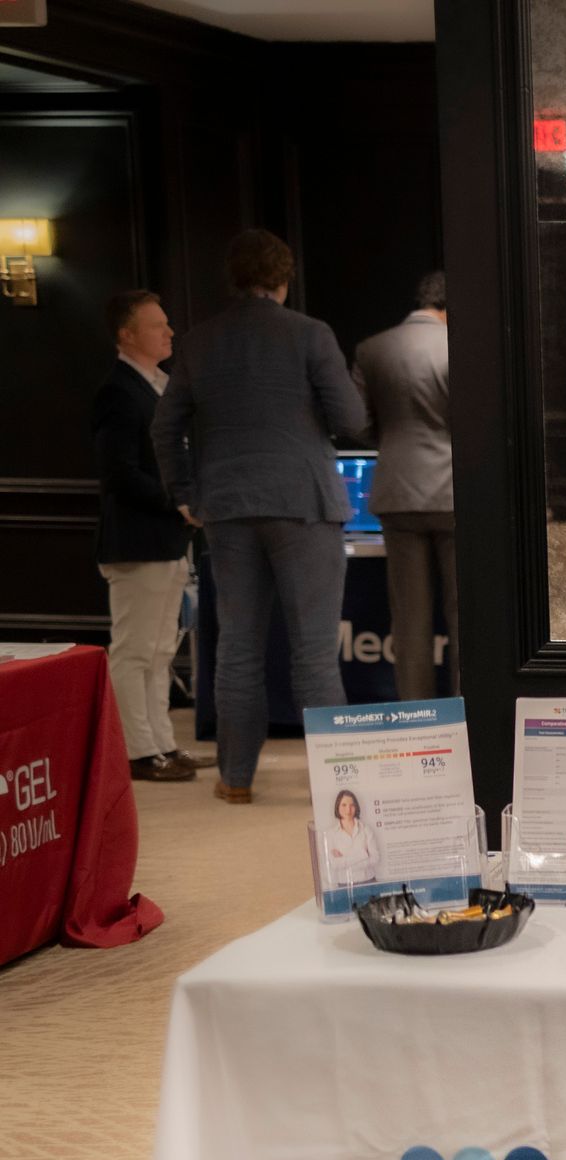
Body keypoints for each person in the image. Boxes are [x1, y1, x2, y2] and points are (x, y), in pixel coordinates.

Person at [152, 229, 368, 804]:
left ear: (234, 278)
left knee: (238, 648)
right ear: (283, 278)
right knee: (315, 652)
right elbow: (351, 419)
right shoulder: (310, 334)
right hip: (304, 504)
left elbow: (164, 427)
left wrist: (184, 492)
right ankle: (337, 789)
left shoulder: (199, 341)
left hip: (225, 507)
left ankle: (235, 779)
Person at [92, 290, 200, 782]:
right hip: (136, 543)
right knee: (135, 650)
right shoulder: (118, 392)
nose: (169, 332)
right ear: (126, 334)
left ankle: (162, 742)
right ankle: (136, 751)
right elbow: (118, 473)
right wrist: (177, 501)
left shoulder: (159, 385)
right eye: (157, 325)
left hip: (166, 541)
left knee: (159, 652)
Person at [353, 271, 456, 700]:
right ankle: (470, 719)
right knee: (463, 616)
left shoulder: (372, 347)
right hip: (454, 493)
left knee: (409, 621)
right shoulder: (458, 344)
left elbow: (355, 422)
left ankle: (419, 719)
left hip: (397, 492)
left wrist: (392, 441)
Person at [322, 788, 381, 885]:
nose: (348, 810)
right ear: (337, 806)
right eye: (344, 805)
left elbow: (375, 858)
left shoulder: (366, 829)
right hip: (345, 884)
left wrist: (346, 863)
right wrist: (363, 854)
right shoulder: (330, 834)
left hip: (369, 882)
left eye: (352, 805)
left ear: (356, 807)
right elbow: (334, 864)